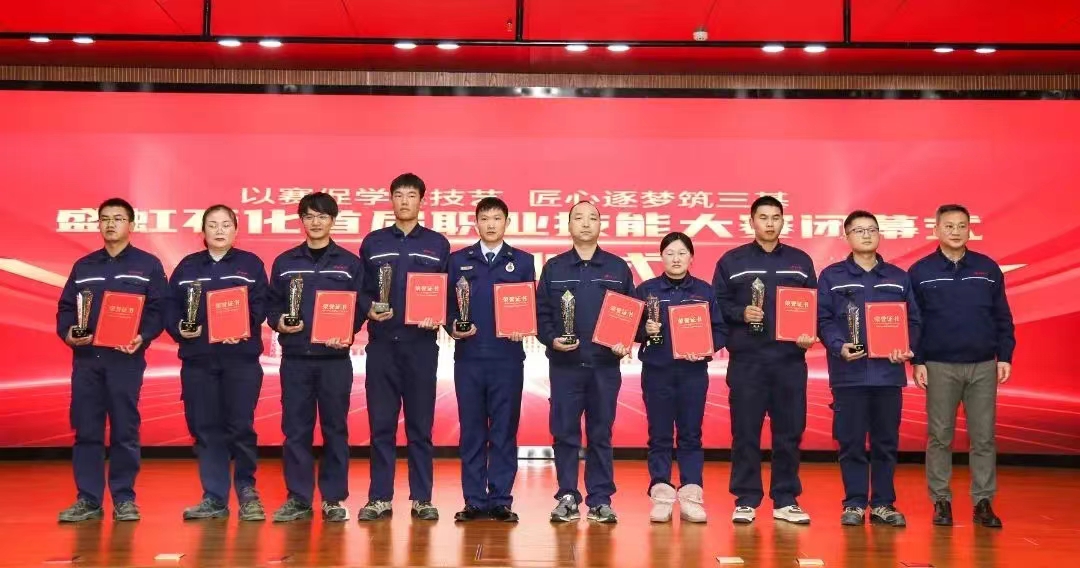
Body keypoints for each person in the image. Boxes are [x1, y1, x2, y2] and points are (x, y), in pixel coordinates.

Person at [56, 197, 169, 523]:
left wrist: (142, 336)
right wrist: (68, 333)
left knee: (124, 430)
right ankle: (88, 499)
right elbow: (66, 308)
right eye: (105, 218)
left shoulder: (148, 265)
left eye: (118, 218)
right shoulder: (84, 266)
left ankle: (124, 499)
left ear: (131, 225)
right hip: (87, 360)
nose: (110, 224)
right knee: (86, 430)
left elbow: (158, 309)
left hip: (125, 359)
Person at [712, 196, 818, 525]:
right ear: (752, 222)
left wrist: (808, 333)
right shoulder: (732, 261)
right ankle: (746, 498)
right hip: (748, 361)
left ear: (783, 221)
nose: (770, 223)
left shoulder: (800, 261)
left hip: (789, 361)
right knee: (745, 432)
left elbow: (812, 306)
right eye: (763, 217)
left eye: (775, 217)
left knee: (790, 432)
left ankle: (785, 499)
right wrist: (740, 313)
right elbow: (717, 304)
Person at [909, 204, 1014, 528]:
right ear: (936, 230)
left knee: (984, 437)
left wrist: (1005, 355)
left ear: (970, 229)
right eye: (949, 226)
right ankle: (941, 501)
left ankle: (983, 501)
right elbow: (914, 321)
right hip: (939, 365)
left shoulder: (987, 268)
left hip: (983, 365)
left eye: (962, 225)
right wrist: (918, 360)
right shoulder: (920, 271)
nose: (956, 231)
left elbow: (1002, 316)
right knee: (940, 436)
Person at [817, 210, 921, 527]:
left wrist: (907, 346)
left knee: (885, 443)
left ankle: (883, 504)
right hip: (848, 375)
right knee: (850, 442)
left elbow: (913, 320)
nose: (866, 235)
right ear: (847, 236)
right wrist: (838, 346)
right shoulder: (832, 276)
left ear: (879, 234)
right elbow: (823, 319)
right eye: (859, 230)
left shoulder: (898, 277)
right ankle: (854, 503)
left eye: (872, 229)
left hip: (888, 375)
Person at [266, 192, 364, 523]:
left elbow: (359, 306)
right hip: (296, 358)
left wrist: (347, 330)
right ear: (302, 221)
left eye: (322, 216)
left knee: (335, 429)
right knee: (296, 430)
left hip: (335, 360)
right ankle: (299, 498)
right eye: (309, 216)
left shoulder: (349, 263)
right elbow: (272, 304)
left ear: (333, 220)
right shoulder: (285, 262)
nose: (316, 222)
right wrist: (279, 321)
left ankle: (333, 499)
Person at [358, 173, 450, 522]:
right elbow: (362, 290)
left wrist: (438, 315)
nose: (405, 201)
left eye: (411, 195)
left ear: (421, 201)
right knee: (381, 426)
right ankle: (379, 497)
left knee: (420, 427)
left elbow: (447, 291)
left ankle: (421, 498)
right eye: (399, 195)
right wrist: (368, 308)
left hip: (420, 347)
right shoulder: (374, 242)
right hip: (382, 346)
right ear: (391, 200)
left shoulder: (437, 244)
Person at [167, 204, 269, 522]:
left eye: (226, 224)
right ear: (203, 231)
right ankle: (214, 496)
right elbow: (170, 307)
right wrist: (180, 328)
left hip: (240, 360)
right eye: (213, 224)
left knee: (241, 426)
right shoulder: (187, 267)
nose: (219, 230)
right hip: (199, 361)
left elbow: (261, 305)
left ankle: (247, 492)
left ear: (236, 230)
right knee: (206, 428)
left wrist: (242, 326)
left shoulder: (250, 264)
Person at [537, 201, 634, 524]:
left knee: (600, 433)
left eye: (593, 218)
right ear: (569, 225)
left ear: (600, 225)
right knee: (564, 433)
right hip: (565, 366)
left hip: (604, 366)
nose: (586, 223)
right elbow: (541, 314)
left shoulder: (617, 268)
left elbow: (631, 312)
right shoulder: (554, 268)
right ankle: (567, 496)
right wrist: (552, 339)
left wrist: (625, 341)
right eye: (578, 218)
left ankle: (600, 499)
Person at [446, 197, 535, 523]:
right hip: (469, 358)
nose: (491, 224)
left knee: (504, 431)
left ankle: (500, 500)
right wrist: (453, 326)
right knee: (471, 432)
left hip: (507, 359)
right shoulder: (458, 260)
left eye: (497, 218)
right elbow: (448, 306)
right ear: (476, 223)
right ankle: (473, 500)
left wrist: (524, 325)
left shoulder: (522, 261)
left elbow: (529, 304)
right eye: (485, 218)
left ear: (507, 222)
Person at [634, 232, 727, 523]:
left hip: (692, 373)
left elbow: (720, 330)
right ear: (661, 257)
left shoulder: (705, 291)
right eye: (670, 253)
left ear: (691, 257)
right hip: (657, 372)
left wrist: (705, 348)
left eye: (682, 253)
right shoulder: (646, 290)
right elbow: (629, 328)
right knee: (659, 435)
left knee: (690, 435)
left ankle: (691, 497)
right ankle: (661, 496)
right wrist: (644, 331)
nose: (676, 259)